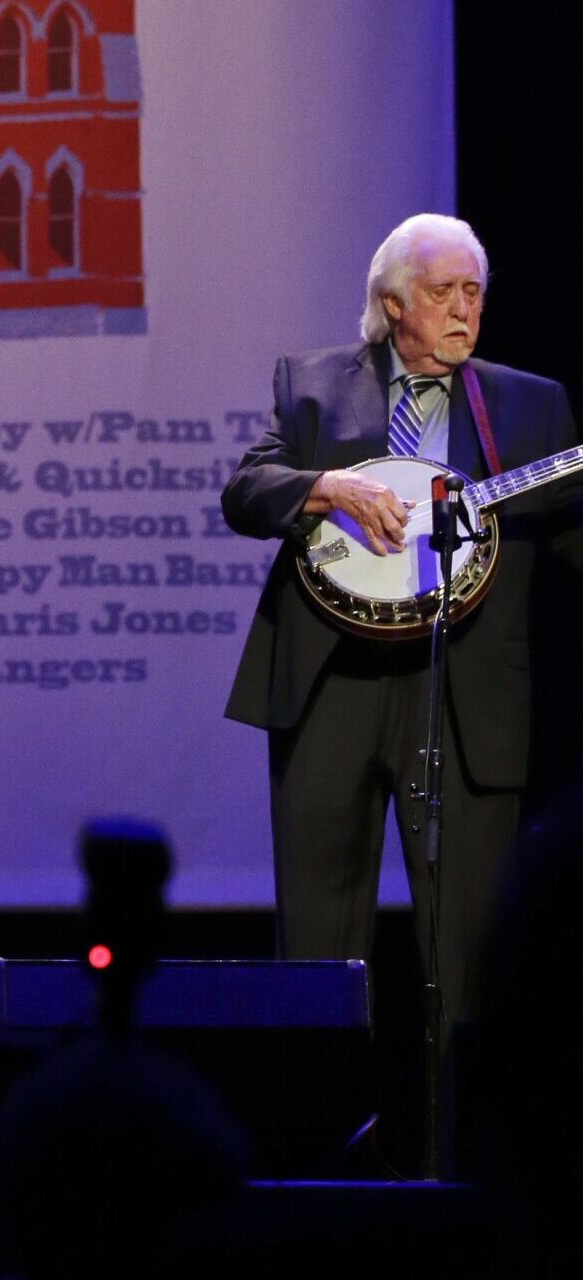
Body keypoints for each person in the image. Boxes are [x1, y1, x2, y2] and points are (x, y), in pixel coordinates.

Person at [221, 213, 581, 1031]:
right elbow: (246, 492)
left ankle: (455, 1155)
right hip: (330, 690)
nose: (463, 310)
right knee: (318, 951)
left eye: (474, 293)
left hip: (466, 691)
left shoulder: (529, 404)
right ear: (392, 305)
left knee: (470, 965)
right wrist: (331, 489)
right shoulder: (310, 384)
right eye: (442, 292)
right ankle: (318, 1146)